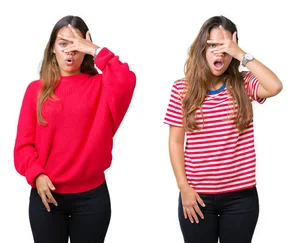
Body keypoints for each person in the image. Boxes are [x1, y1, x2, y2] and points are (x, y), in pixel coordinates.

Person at [14, 15, 136, 243]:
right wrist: (36, 174)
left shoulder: (101, 87)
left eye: (76, 45)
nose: (70, 51)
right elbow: (23, 146)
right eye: (63, 44)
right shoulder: (36, 90)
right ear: (52, 48)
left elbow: (126, 79)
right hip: (46, 196)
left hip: (92, 199)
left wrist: (96, 50)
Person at [163, 15, 283, 243]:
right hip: (197, 197)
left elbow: (275, 86)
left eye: (226, 47)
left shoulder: (244, 84)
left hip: (241, 198)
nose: (219, 53)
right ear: (201, 49)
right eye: (213, 46)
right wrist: (184, 188)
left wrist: (241, 54)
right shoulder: (182, 88)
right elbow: (175, 142)